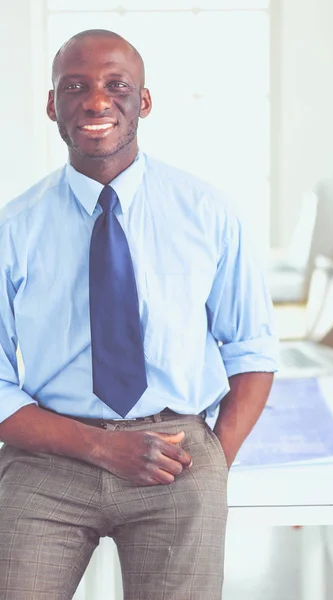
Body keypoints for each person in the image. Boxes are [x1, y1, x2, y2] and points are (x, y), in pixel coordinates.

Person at [0, 29, 278, 600]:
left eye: (116, 86)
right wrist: (100, 448)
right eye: (75, 87)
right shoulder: (14, 229)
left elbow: (250, 350)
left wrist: (212, 460)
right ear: (53, 104)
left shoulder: (209, 214)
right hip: (49, 449)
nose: (96, 101)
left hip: (176, 450)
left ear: (143, 102)